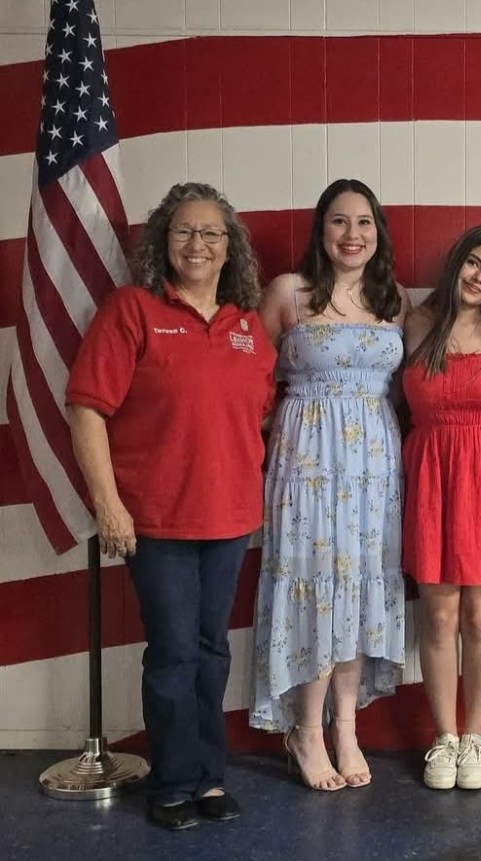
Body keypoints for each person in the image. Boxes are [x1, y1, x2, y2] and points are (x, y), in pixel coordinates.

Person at [66, 182, 276, 830]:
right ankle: (173, 782)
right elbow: (86, 409)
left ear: (230, 248)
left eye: (212, 232)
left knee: (212, 652)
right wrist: (109, 504)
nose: (197, 243)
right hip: (156, 520)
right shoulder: (132, 311)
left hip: (229, 518)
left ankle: (209, 778)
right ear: (164, 241)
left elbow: (257, 414)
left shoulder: (248, 326)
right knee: (174, 653)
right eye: (184, 230)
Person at [250, 179, 410, 791]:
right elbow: (247, 375)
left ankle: (345, 727)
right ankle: (305, 730)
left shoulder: (392, 299)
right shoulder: (289, 293)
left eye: (364, 222)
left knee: (360, 585)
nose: (352, 234)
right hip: (309, 462)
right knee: (316, 582)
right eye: (339, 221)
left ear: (378, 232)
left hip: (374, 466)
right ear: (321, 230)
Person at [402, 225, 481, 791]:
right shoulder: (418, 323)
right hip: (433, 476)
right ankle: (445, 737)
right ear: (456, 263)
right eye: (474, 264)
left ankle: (477, 736)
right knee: (438, 615)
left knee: (480, 615)